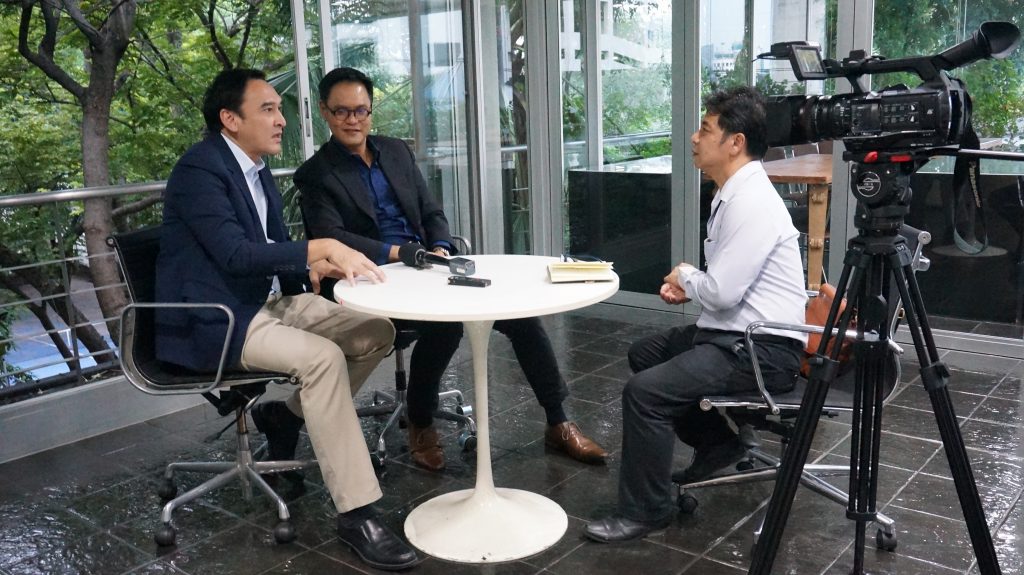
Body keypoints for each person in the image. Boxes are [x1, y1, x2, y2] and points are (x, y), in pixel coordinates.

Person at [155, 68, 419, 571]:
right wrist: (321, 247)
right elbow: (235, 255)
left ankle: (286, 416)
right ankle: (357, 513)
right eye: (269, 110)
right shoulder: (200, 171)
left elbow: (272, 248)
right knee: (322, 359)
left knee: (374, 331)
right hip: (219, 319)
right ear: (230, 119)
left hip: (264, 302)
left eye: (279, 109)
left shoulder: (255, 169)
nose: (281, 120)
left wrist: (314, 267)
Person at [295, 67, 607, 472]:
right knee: (444, 328)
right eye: (341, 111)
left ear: (371, 110)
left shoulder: (395, 151)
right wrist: (399, 253)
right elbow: (332, 238)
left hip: (428, 265)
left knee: (520, 317)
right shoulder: (316, 174)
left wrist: (440, 246)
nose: (352, 120)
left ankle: (558, 421)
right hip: (373, 278)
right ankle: (421, 422)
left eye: (361, 110)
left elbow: (430, 210)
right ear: (324, 111)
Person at [584, 86, 808, 543]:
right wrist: (692, 285)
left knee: (645, 394)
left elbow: (722, 292)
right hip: (735, 334)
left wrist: (687, 276)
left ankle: (646, 512)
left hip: (761, 349)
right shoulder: (734, 193)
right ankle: (718, 443)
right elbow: (728, 284)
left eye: (705, 130)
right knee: (646, 353)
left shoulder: (750, 202)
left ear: (735, 142)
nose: (693, 137)